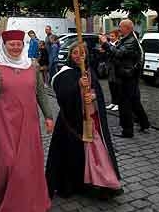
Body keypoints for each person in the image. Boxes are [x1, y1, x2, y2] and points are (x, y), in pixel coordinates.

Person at [0, 30, 54, 212]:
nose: (15, 47)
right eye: (11, 44)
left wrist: (48, 116)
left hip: (28, 124)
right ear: (4, 46)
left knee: (25, 164)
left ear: (23, 45)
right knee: (7, 162)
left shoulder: (32, 66)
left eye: (18, 44)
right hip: (3, 124)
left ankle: (23, 200)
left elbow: (40, 93)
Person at [46, 42, 122, 200]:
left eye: (82, 52)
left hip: (90, 120)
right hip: (71, 122)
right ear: (70, 55)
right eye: (75, 52)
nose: (78, 55)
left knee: (97, 153)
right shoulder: (64, 73)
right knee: (70, 154)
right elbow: (62, 97)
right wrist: (77, 87)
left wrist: (93, 96)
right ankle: (71, 184)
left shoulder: (89, 71)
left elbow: (98, 93)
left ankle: (99, 182)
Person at [100, 19, 150, 138]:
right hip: (127, 75)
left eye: (120, 27)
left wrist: (105, 43)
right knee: (134, 102)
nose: (119, 29)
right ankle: (144, 123)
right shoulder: (128, 39)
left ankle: (127, 131)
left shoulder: (131, 41)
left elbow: (119, 54)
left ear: (127, 28)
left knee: (124, 104)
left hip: (127, 77)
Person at [106, 30, 120, 112]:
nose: (110, 38)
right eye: (110, 36)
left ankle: (118, 103)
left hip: (116, 69)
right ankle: (113, 102)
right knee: (111, 86)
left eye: (112, 36)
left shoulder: (118, 44)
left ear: (117, 37)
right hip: (110, 68)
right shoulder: (108, 45)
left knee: (117, 87)